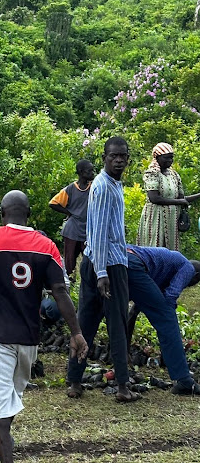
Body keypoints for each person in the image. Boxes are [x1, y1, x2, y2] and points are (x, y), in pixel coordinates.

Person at [0, 191, 87, 463]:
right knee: (11, 395)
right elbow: (60, 292)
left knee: (0, 401)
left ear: (3, 213)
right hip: (30, 339)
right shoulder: (46, 246)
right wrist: (77, 332)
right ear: (28, 213)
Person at [66, 137, 139, 402]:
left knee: (85, 322)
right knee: (116, 325)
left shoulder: (112, 185)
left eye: (123, 156)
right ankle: (122, 386)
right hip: (107, 266)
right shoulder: (105, 187)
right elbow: (97, 233)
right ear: (104, 158)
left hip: (96, 263)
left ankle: (75, 381)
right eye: (113, 156)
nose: (119, 160)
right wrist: (102, 273)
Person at [126, 244, 200, 394]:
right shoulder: (188, 267)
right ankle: (185, 382)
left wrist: (125, 348)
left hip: (118, 258)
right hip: (133, 263)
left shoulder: (163, 272)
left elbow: (134, 312)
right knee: (167, 317)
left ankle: (75, 373)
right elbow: (171, 297)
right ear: (196, 276)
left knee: (98, 312)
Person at [136, 143, 200, 250]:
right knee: (155, 250)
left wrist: (198, 195)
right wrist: (179, 202)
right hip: (155, 218)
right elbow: (154, 198)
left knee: (170, 253)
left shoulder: (174, 175)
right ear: (157, 157)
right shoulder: (152, 173)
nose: (170, 161)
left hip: (171, 221)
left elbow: (181, 199)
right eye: (166, 158)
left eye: (171, 157)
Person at [49, 159, 96, 276]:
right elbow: (53, 203)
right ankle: (69, 283)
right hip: (72, 231)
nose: (92, 174)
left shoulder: (94, 188)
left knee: (89, 261)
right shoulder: (70, 189)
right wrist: (69, 212)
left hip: (87, 230)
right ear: (81, 172)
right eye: (89, 171)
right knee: (70, 263)